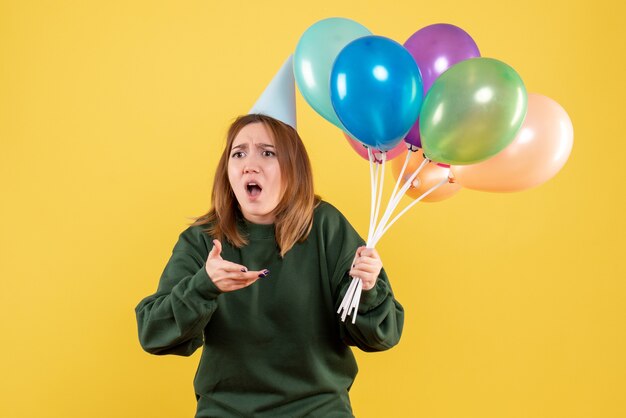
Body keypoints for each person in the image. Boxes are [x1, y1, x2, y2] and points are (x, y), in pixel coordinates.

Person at [135, 113, 404, 417]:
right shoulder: (202, 240)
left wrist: (367, 288)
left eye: (267, 152)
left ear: (293, 168)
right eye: (239, 153)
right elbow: (153, 333)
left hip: (318, 409)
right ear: (228, 171)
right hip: (226, 410)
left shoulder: (326, 227)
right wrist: (203, 286)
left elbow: (381, 336)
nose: (250, 164)